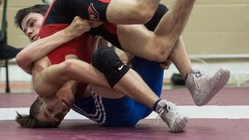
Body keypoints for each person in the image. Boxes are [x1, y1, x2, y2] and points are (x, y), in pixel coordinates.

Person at [14, 0, 231, 130]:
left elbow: (25, 59)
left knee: (143, 10)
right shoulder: (74, 84)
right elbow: (97, 53)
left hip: (72, 7)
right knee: (158, 50)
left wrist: (71, 33)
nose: (58, 113)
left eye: (32, 23)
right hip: (93, 28)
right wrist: (124, 73)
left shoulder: (42, 78)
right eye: (57, 119)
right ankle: (193, 78)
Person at [16, 46, 188, 132]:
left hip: (137, 99)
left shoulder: (45, 80)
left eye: (50, 111)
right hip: (119, 114)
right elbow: (110, 73)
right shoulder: (72, 93)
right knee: (102, 55)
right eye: (59, 117)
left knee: (155, 26)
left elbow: (115, 69)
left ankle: (191, 76)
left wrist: (135, 53)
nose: (60, 111)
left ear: (40, 97)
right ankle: (162, 108)